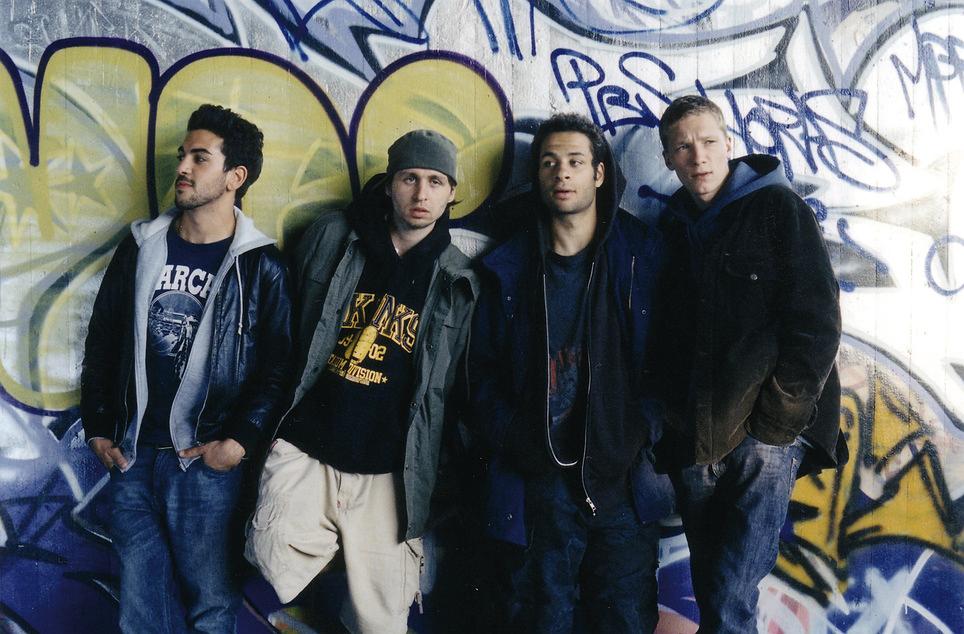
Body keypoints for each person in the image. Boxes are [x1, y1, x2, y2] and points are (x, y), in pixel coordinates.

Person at [244, 129, 478, 634]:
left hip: (389, 467)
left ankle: (357, 583)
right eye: (409, 178)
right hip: (310, 444)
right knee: (270, 554)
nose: (421, 193)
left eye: (436, 181)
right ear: (389, 184)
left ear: (451, 193)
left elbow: (450, 391)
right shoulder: (334, 237)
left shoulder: (457, 278)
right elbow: (283, 333)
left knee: (382, 621)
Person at [81, 104, 293, 633]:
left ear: (235, 177)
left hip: (204, 463)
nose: (182, 168)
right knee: (140, 612)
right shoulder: (141, 247)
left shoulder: (260, 265)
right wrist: (99, 427)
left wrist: (237, 442)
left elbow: (278, 368)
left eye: (201, 158)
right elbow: (103, 340)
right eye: (183, 156)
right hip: (132, 457)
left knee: (211, 607)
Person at [469, 112, 673, 633]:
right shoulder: (509, 268)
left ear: (599, 174)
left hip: (622, 482)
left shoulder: (642, 255)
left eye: (576, 162)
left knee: (625, 621)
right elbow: (480, 373)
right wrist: (513, 438)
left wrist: (641, 431)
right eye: (550, 163)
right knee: (541, 620)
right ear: (537, 176)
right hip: (539, 484)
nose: (562, 173)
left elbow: (672, 360)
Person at [650, 95, 846, 633]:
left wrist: (775, 429)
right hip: (696, 440)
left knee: (730, 595)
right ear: (667, 158)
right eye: (682, 148)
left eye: (709, 142)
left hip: (763, 442)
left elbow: (817, 322)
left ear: (729, 145)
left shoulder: (778, 209)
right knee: (717, 592)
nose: (698, 157)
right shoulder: (673, 228)